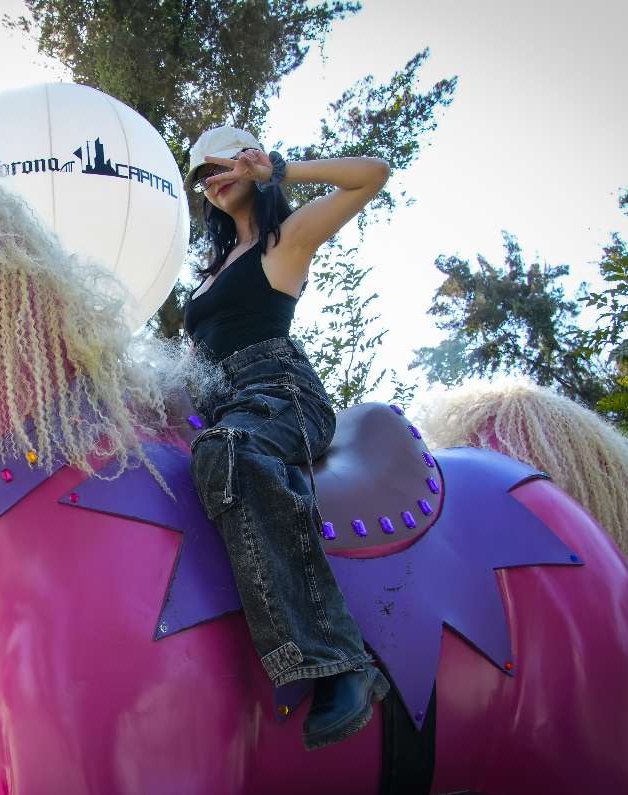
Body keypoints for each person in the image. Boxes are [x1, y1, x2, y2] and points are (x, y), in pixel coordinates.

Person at [183, 126, 391, 750]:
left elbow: (373, 172)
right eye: (200, 175)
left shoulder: (286, 239)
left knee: (232, 452)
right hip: (219, 402)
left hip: (281, 397)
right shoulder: (213, 269)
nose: (210, 178)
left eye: (220, 163)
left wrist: (283, 172)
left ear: (249, 159)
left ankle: (338, 661)